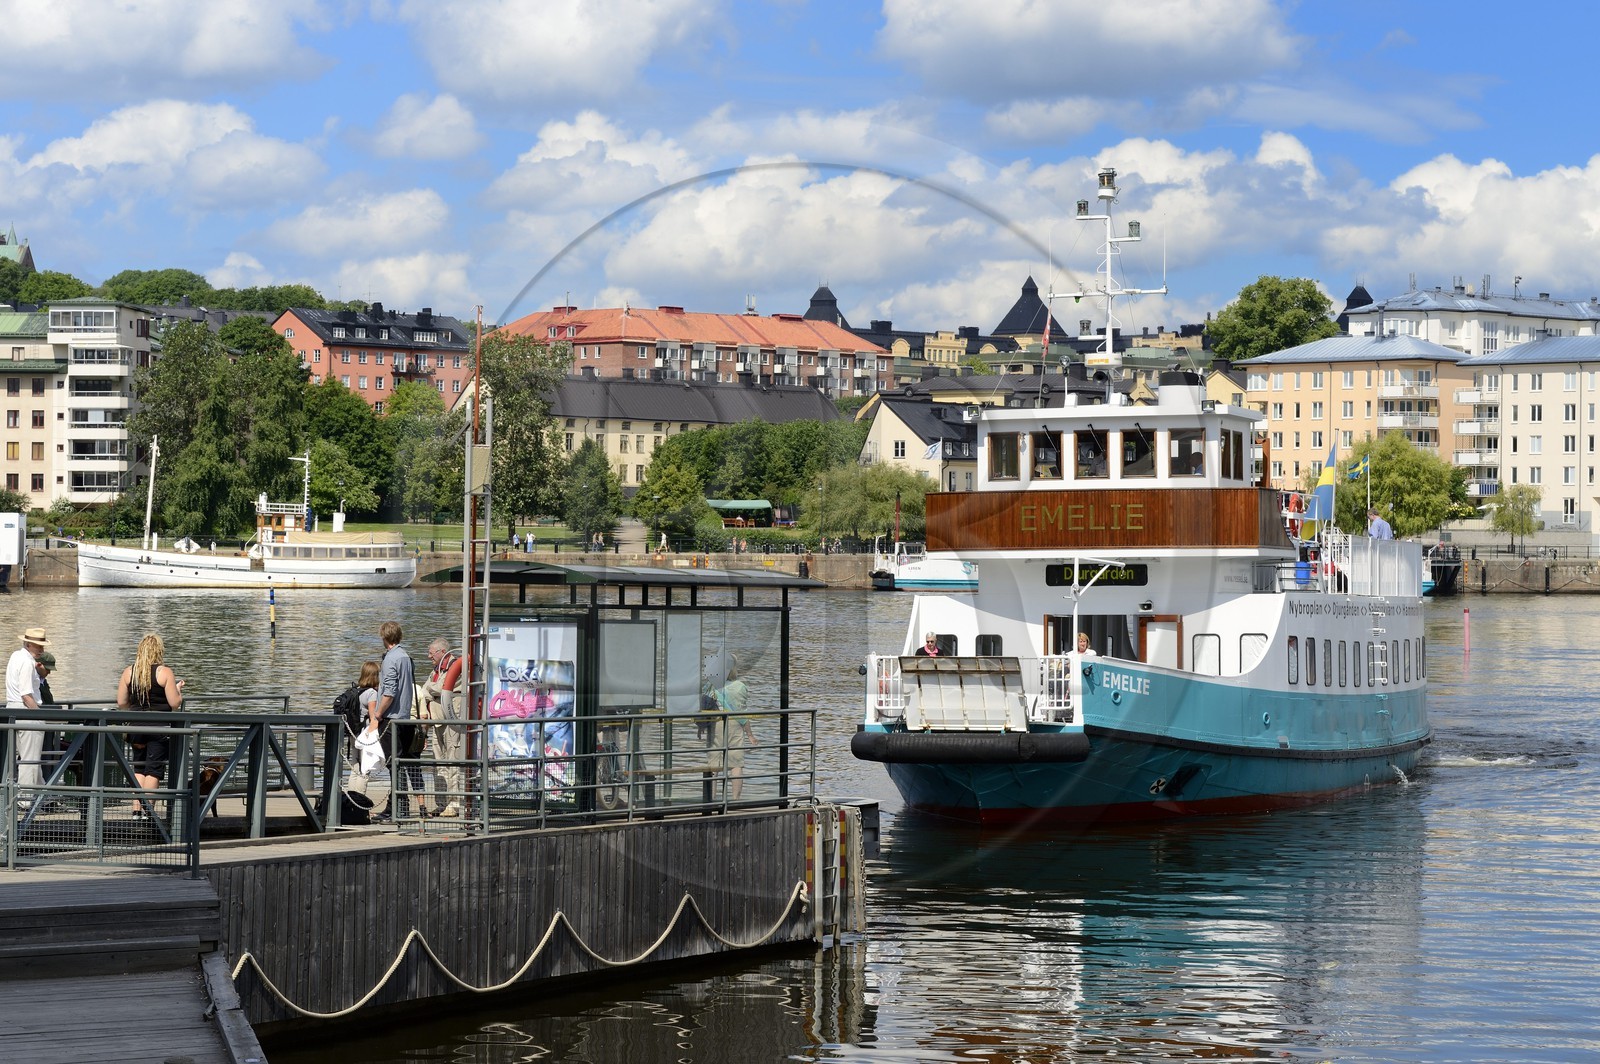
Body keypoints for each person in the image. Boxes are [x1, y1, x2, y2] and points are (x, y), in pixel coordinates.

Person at [116, 633, 184, 815]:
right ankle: (149, 813)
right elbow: (174, 703)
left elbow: (121, 703)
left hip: (136, 728)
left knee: (139, 767)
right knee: (153, 770)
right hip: (158, 728)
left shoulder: (129, 672)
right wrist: (177, 690)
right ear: (158, 651)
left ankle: (136, 811)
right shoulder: (164, 672)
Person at [370, 620, 420, 823]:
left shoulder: (391, 659)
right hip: (405, 717)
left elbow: (389, 693)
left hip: (392, 719)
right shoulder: (406, 657)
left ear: (384, 637)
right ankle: (401, 807)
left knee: (394, 765)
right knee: (400, 765)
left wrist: (377, 715)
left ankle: (396, 809)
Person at [6, 627, 50, 807]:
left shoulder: (16, 657)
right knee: (30, 759)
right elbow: (26, 695)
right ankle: (25, 800)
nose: (41, 649)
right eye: (38, 645)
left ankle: (43, 797)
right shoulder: (26, 662)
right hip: (27, 712)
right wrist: (38, 717)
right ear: (29, 643)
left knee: (26, 756)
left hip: (12, 711)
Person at [421, 638, 465, 818]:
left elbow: (439, 688)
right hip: (437, 721)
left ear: (441, 652)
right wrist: (432, 690)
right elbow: (425, 689)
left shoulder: (456, 667)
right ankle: (441, 802)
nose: (428, 656)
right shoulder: (436, 670)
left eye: (431, 653)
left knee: (452, 760)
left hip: (452, 720)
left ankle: (454, 803)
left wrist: (431, 690)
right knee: (438, 761)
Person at [705, 657, 756, 800]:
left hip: (715, 724)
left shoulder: (712, 685)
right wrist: (750, 735)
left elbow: (704, 706)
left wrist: (701, 726)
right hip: (735, 724)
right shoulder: (740, 686)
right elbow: (743, 713)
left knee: (713, 765)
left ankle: (711, 799)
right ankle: (735, 800)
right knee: (736, 764)